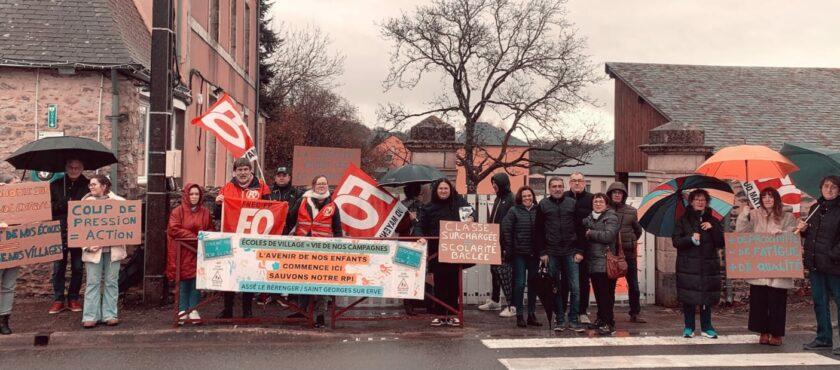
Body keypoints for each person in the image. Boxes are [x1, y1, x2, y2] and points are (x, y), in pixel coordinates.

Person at [735, 187, 796, 346]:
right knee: (759, 301)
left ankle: (776, 334)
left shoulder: (787, 216)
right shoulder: (754, 215)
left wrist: (782, 233)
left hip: (779, 265)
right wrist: (743, 216)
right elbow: (741, 233)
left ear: (776, 199)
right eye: (764, 197)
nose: (767, 199)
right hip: (760, 265)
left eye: (770, 196)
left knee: (777, 302)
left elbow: (794, 235)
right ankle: (763, 332)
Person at [214, 157, 270, 319]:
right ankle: (228, 309)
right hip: (231, 237)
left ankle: (247, 310)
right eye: (240, 170)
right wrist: (217, 204)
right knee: (229, 273)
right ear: (234, 172)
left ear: (250, 171)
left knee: (249, 273)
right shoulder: (226, 188)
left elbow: (270, 209)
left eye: (246, 169)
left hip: (252, 239)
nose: (243, 173)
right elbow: (217, 215)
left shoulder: (262, 187)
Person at [414, 178, 475, 327]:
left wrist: (471, 218)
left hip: (455, 251)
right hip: (437, 252)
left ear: (450, 190)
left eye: (446, 188)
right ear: (436, 191)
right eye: (440, 189)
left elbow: (473, 214)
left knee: (454, 283)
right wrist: (420, 237)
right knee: (440, 283)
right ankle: (440, 315)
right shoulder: (429, 207)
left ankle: (453, 314)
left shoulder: (459, 203)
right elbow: (419, 226)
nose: (443, 191)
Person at [285, 175, 343, 328]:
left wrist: (339, 248)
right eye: (319, 184)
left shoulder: (333, 206)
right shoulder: (302, 201)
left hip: (323, 251)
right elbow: (290, 220)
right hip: (303, 247)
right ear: (314, 186)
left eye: (324, 183)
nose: (322, 186)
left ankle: (320, 315)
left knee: (321, 282)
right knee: (303, 279)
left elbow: (337, 229)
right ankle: (302, 311)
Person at [672, 189, 724, 339]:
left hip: (707, 265)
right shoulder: (683, 220)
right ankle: (689, 327)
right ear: (691, 202)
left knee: (706, 298)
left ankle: (707, 327)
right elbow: (676, 241)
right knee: (689, 298)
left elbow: (720, 242)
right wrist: (690, 238)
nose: (700, 202)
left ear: (706, 202)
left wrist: (712, 228)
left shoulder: (713, 220)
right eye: (697, 199)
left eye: (703, 200)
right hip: (688, 266)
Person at [797, 175, 840, 354]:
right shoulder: (815, 208)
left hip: (835, 265)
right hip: (816, 264)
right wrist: (804, 230)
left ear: (839, 190)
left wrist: (832, 255)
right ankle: (823, 338)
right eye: (826, 186)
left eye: (833, 187)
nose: (829, 189)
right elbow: (812, 235)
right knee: (820, 302)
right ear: (821, 188)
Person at [535, 177, 583, 332]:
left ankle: (574, 320)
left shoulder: (572, 203)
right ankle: (560, 319)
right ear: (549, 189)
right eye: (554, 186)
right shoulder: (543, 205)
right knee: (554, 287)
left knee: (575, 287)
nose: (557, 189)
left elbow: (580, 228)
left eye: (560, 186)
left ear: (564, 187)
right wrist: (542, 252)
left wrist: (580, 251)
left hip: (571, 252)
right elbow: (538, 230)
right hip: (552, 252)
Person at [80, 175, 127, 328]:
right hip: (93, 250)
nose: (91, 187)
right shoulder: (84, 204)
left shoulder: (120, 203)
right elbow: (79, 229)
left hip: (114, 249)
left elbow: (127, 227)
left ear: (104, 186)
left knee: (111, 282)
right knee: (92, 282)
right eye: (90, 185)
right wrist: (87, 246)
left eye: (94, 184)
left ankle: (110, 314)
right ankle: (90, 316)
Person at [167, 183, 214, 325]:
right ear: (186, 195)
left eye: (197, 194)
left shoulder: (205, 212)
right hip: (182, 251)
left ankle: (193, 310)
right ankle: (182, 310)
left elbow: (210, 229)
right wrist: (195, 238)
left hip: (197, 252)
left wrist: (201, 238)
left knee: (196, 281)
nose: (194, 197)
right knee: (182, 281)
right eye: (191, 194)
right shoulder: (177, 212)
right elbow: (174, 229)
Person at [49, 158, 90, 314]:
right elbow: (47, 208)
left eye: (77, 167)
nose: (74, 170)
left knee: (78, 267)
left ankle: (73, 298)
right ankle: (58, 299)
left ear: (82, 168)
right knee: (58, 267)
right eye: (71, 167)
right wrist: (62, 203)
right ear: (66, 168)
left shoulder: (88, 186)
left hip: (80, 231)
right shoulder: (55, 185)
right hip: (59, 230)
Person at [257, 166, 301, 306]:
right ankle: (270, 294)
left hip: (289, 233)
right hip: (272, 233)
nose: (281, 178)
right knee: (270, 264)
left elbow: (299, 213)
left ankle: (284, 295)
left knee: (286, 265)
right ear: (275, 177)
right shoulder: (269, 193)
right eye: (279, 175)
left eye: (284, 175)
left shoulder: (297, 193)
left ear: (289, 177)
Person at [501, 186, 541, 328]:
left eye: (529, 195)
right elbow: (506, 229)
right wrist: (509, 249)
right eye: (524, 196)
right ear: (520, 198)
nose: (527, 198)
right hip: (519, 254)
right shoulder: (514, 211)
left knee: (533, 284)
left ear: (533, 197)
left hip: (534, 253)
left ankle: (531, 314)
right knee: (519, 284)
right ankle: (519, 315)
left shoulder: (538, 211)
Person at [607, 182, 645, 323]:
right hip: (611, 254)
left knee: (633, 285)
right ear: (610, 194)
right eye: (614, 192)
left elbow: (638, 230)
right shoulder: (605, 210)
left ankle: (635, 312)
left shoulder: (632, 211)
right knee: (610, 285)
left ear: (624, 195)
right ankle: (607, 313)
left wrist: (629, 241)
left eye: (620, 192)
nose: (617, 195)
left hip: (629, 254)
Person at [479, 173, 516, 318]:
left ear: (503, 183)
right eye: (492, 183)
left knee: (506, 275)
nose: (493, 185)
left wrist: (507, 244)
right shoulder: (498, 199)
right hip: (494, 242)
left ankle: (512, 305)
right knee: (494, 271)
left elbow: (511, 223)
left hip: (505, 243)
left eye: (495, 183)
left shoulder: (511, 199)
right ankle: (495, 301)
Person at [583, 193, 620, 335]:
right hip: (593, 261)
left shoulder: (611, 217)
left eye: (601, 202)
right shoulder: (590, 217)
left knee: (606, 295)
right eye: (595, 202)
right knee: (598, 294)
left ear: (606, 204)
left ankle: (609, 323)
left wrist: (591, 233)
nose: (598, 204)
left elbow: (608, 236)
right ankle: (601, 319)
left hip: (606, 262)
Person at [565, 172, 594, 324]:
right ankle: (563, 311)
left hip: (586, 246)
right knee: (565, 281)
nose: (577, 183)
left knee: (583, 280)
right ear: (569, 182)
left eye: (580, 181)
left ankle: (582, 311)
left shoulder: (591, 199)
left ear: (584, 182)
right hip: (565, 246)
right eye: (574, 180)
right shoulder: (563, 197)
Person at [0, 173, 20, 335]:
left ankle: (4, 319)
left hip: (14, 249)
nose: (18, 187)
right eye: (14, 184)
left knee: (9, 285)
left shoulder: (21, 204)